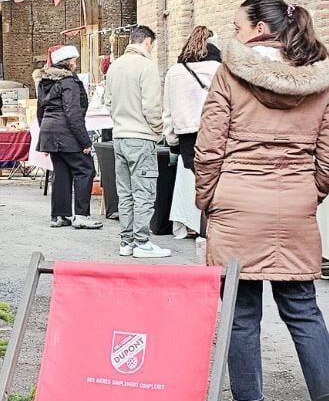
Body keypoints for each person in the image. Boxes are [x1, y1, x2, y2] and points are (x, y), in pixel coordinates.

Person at [195, 0, 329, 401]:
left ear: (261, 30)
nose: (234, 35)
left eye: (238, 26)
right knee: (304, 310)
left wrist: (209, 200)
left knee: (241, 313)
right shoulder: (319, 81)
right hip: (295, 204)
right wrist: (309, 193)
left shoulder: (230, 75)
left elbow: (209, 148)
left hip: (237, 201)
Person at [104, 24, 169, 259]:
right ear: (148, 42)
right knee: (144, 192)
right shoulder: (147, 66)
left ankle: (127, 241)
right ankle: (142, 242)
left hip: (119, 137)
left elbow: (108, 102)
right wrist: (158, 130)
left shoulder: (115, 67)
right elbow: (152, 107)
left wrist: (120, 122)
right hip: (141, 138)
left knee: (126, 193)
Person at [36, 44, 102, 230]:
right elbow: (72, 113)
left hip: (50, 130)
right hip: (66, 132)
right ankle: (81, 215)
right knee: (85, 169)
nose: (75, 63)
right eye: (73, 60)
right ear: (67, 63)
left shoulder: (45, 81)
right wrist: (85, 142)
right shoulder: (69, 81)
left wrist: (45, 136)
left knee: (62, 172)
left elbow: (40, 111)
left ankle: (59, 215)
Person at [162, 26, 221, 171]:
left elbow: (168, 111)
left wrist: (173, 142)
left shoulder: (174, 72)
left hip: (187, 138)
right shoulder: (220, 69)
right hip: (215, 133)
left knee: (198, 183)